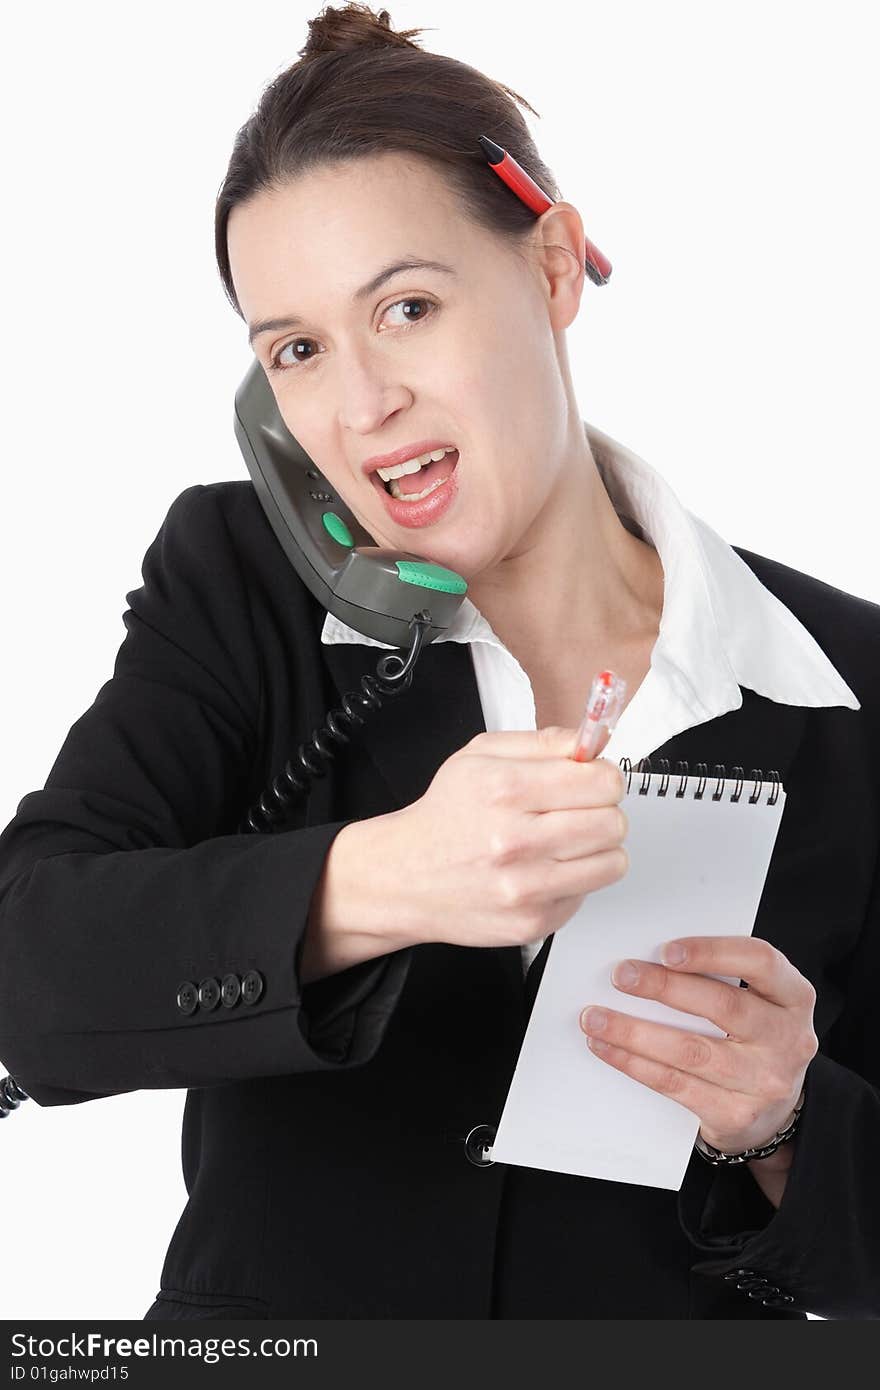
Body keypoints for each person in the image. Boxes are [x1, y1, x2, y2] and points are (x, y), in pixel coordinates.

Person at [0, 2, 877, 1321]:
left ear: (553, 267)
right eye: (295, 349)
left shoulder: (844, 684)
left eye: (405, 306)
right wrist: (385, 875)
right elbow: (29, 972)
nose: (359, 407)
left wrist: (782, 1122)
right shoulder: (244, 583)